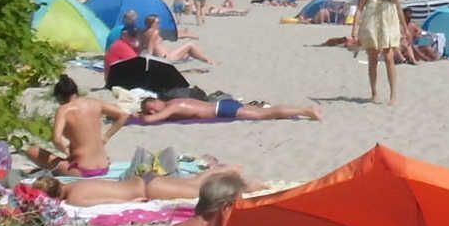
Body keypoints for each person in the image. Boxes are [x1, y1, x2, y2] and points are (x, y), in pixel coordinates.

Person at [20, 166, 244, 207]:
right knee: (193, 182)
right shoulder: (75, 184)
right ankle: (225, 169)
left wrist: (132, 202)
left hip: (147, 190)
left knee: (199, 190)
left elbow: (106, 201)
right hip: (142, 180)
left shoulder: (75, 198)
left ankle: (247, 186)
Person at [50, 74, 134, 176]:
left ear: (60, 97)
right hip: (104, 167)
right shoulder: (95, 103)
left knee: (34, 151)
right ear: (76, 91)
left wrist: (67, 152)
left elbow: (57, 140)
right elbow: (124, 115)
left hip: (82, 169)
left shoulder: (64, 110)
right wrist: (106, 136)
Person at [354, 0, 407, 105]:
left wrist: (405, 28)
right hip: (371, 26)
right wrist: (354, 30)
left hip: (388, 26)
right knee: (373, 59)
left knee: (389, 58)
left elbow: (399, 9)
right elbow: (359, 8)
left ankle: (393, 95)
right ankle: (374, 92)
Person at [134, 95, 322, 124]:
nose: (153, 111)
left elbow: (151, 120)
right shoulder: (175, 101)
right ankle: (302, 111)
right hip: (223, 105)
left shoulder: (173, 106)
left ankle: (306, 111)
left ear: (157, 101)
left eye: (152, 108)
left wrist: (140, 116)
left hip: (222, 110)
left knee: (264, 114)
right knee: (266, 111)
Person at [142, 15, 216, 65]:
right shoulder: (155, 32)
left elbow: (146, 46)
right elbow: (150, 48)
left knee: (187, 55)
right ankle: (209, 61)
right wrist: (149, 60)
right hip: (165, 58)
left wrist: (187, 35)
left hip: (162, 57)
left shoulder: (145, 33)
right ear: (151, 24)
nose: (159, 24)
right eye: (157, 23)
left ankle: (204, 60)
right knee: (190, 45)